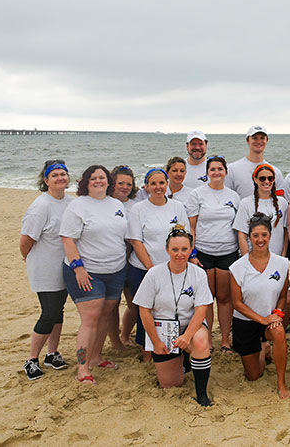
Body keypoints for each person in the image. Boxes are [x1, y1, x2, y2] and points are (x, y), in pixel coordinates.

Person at [59, 165, 129, 384]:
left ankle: (97, 356)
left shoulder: (117, 205)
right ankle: (83, 367)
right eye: (93, 178)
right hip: (88, 271)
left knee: (107, 315)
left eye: (102, 177)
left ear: (109, 181)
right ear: (86, 182)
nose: (98, 181)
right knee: (90, 318)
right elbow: (67, 239)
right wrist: (78, 268)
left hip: (116, 269)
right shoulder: (78, 206)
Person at [133, 225, 213, 405]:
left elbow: (202, 309)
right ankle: (183, 362)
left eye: (184, 249)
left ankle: (202, 394)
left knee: (200, 341)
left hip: (189, 326)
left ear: (191, 249)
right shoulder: (154, 274)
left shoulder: (198, 274)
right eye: (175, 249)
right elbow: (144, 310)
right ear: (167, 250)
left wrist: (187, 335)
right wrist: (155, 341)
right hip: (164, 329)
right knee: (170, 384)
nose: (180, 254)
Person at [121, 168, 191, 358]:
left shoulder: (177, 207)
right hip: (144, 269)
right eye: (153, 183)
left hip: (175, 268)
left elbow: (185, 236)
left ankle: (172, 345)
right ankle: (147, 352)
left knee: (169, 308)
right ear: (146, 186)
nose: (158, 187)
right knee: (146, 310)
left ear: (167, 184)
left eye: (162, 183)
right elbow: (136, 241)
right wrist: (153, 270)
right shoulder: (138, 209)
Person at [19, 160, 75, 380]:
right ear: (46, 180)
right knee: (49, 312)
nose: (60, 178)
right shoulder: (41, 206)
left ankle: (52, 353)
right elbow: (26, 240)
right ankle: (32, 359)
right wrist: (26, 255)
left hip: (64, 266)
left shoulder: (71, 202)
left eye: (63, 174)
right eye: (55, 175)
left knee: (58, 311)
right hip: (44, 267)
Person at [229, 214, 290, 399]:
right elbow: (237, 303)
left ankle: (281, 382)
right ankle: (263, 350)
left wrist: (277, 314)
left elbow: (283, 295)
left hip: (269, 320)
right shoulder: (237, 267)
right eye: (255, 235)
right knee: (253, 376)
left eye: (264, 235)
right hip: (245, 322)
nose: (260, 240)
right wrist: (262, 319)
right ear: (249, 237)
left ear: (270, 236)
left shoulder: (281, 263)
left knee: (279, 332)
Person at [188, 156, 241, 353]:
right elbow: (191, 227)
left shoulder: (234, 196)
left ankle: (226, 339)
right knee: (207, 298)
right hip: (204, 252)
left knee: (225, 298)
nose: (216, 172)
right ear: (207, 172)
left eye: (220, 169)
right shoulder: (197, 194)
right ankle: (208, 339)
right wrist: (192, 253)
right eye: (213, 169)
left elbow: (238, 227)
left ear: (225, 172)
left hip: (228, 252)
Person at [107, 165, 138, 351]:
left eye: (129, 183)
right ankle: (115, 341)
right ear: (113, 183)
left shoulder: (135, 206)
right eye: (121, 183)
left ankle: (125, 334)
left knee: (135, 304)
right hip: (111, 261)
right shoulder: (104, 203)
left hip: (132, 260)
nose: (125, 187)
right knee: (112, 305)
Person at [233, 164, 289, 256]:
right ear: (255, 180)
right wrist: (246, 259)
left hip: (277, 256)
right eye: (262, 179)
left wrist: (283, 254)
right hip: (253, 256)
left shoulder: (282, 203)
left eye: (270, 178)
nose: (267, 182)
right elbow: (242, 235)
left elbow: (285, 230)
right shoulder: (246, 203)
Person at [226, 126, 285, 201]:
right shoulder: (232, 169)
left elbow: (280, 200)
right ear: (248, 140)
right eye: (254, 138)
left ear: (267, 140)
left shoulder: (276, 172)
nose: (259, 141)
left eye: (262, 138)